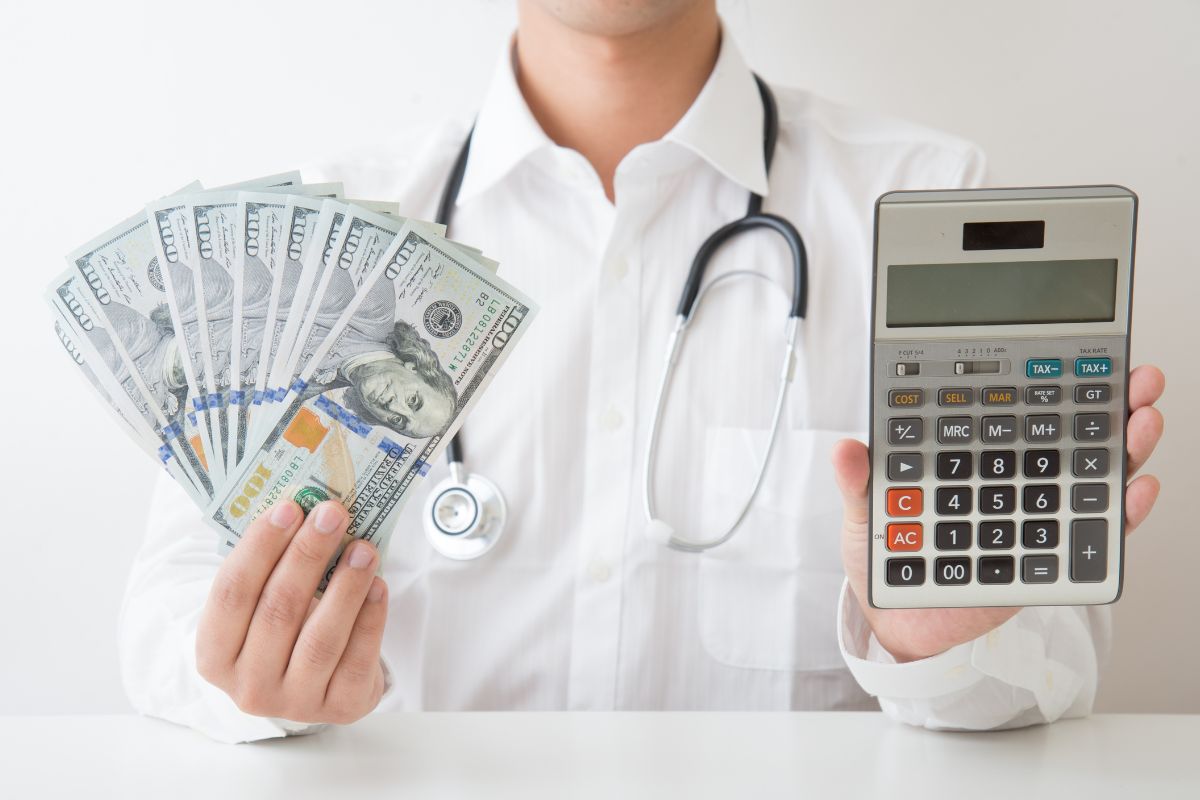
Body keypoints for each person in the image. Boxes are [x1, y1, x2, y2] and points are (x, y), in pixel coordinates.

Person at [119, 0, 1165, 742]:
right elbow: (168, 611)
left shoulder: (929, 201)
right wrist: (252, 677)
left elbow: (1056, 662)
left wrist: (933, 640)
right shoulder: (321, 231)